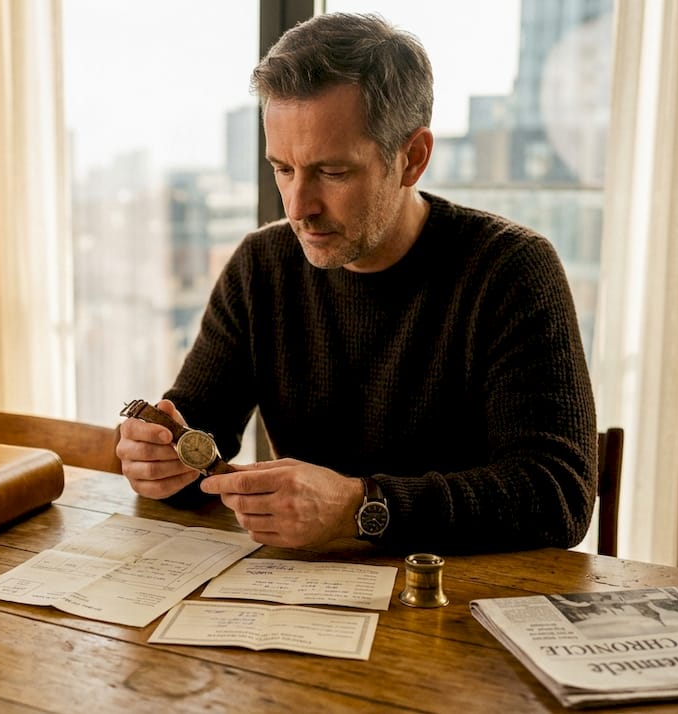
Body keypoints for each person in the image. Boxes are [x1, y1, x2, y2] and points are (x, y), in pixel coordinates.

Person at [116, 12, 597, 554]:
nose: (299, 208)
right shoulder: (261, 265)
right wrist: (160, 460)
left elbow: (559, 496)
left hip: (461, 601)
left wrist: (360, 508)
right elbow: (200, 434)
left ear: (412, 158)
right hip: (301, 599)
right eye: (283, 169)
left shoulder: (511, 269)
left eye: (332, 172)